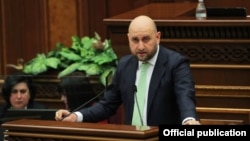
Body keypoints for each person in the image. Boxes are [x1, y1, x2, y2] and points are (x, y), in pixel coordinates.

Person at [55, 15, 200, 125]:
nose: (141, 46)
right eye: (135, 40)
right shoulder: (125, 65)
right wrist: (76, 116)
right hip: (132, 137)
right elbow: (108, 105)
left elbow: (185, 96)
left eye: (146, 39)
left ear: (157, 37)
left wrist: (189, 120)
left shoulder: (175, 63)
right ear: (128, 38)